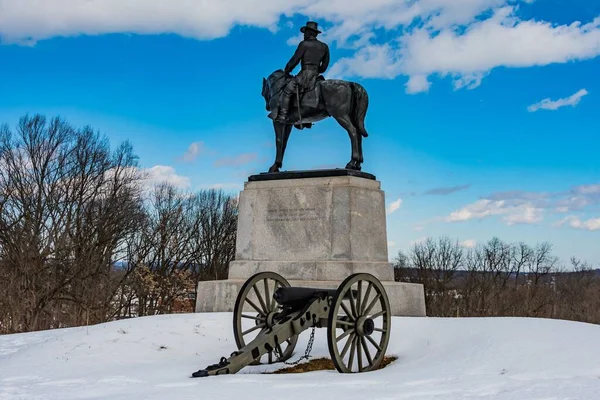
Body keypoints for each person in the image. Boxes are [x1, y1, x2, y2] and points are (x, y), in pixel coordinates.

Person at [276, 21, 330, 123]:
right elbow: (324, 66)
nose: (304, 35)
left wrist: (287, 70)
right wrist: (317, 70)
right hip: (316, 75)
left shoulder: (304, 44)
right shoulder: (324, 46)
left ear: (309, 33)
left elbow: (295, 60)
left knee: (287, 91)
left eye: (305, 33)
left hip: (305, 74)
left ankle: (283, 115)